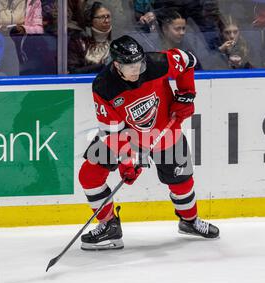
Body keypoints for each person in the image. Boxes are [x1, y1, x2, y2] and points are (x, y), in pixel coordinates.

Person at [78, 35, 220, 250]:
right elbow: (114, 133)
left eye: (139, 63)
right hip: (125, 135)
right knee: (89, 175)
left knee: (181, 182)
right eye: (130, 66)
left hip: (164, 129)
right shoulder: (104, 86)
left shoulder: (157, 63)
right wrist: (127, 161)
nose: (137, 69)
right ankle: (109, 226)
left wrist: (186, 94)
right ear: (116, 65)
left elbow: (188, 61)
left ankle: (189, 221)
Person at [68, 1, 112, 74]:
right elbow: (73, 71)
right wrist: (101, 66)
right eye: (101, 17)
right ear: (91, 20)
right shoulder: (77, 42)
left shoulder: (116, 42)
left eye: (108, 16)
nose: (107, 21)